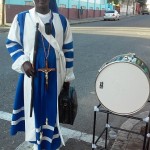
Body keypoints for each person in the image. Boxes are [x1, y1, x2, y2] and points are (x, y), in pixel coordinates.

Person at [6, 0, 75, 149]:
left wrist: (67, 78)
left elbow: (68, 50)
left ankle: (52, 143)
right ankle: (37, 142)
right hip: (32, 75)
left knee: (51, 109)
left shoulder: (62, 21)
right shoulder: (21, 18)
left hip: (56, 75)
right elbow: (12, 42)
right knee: (34, 108)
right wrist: (24, 62)